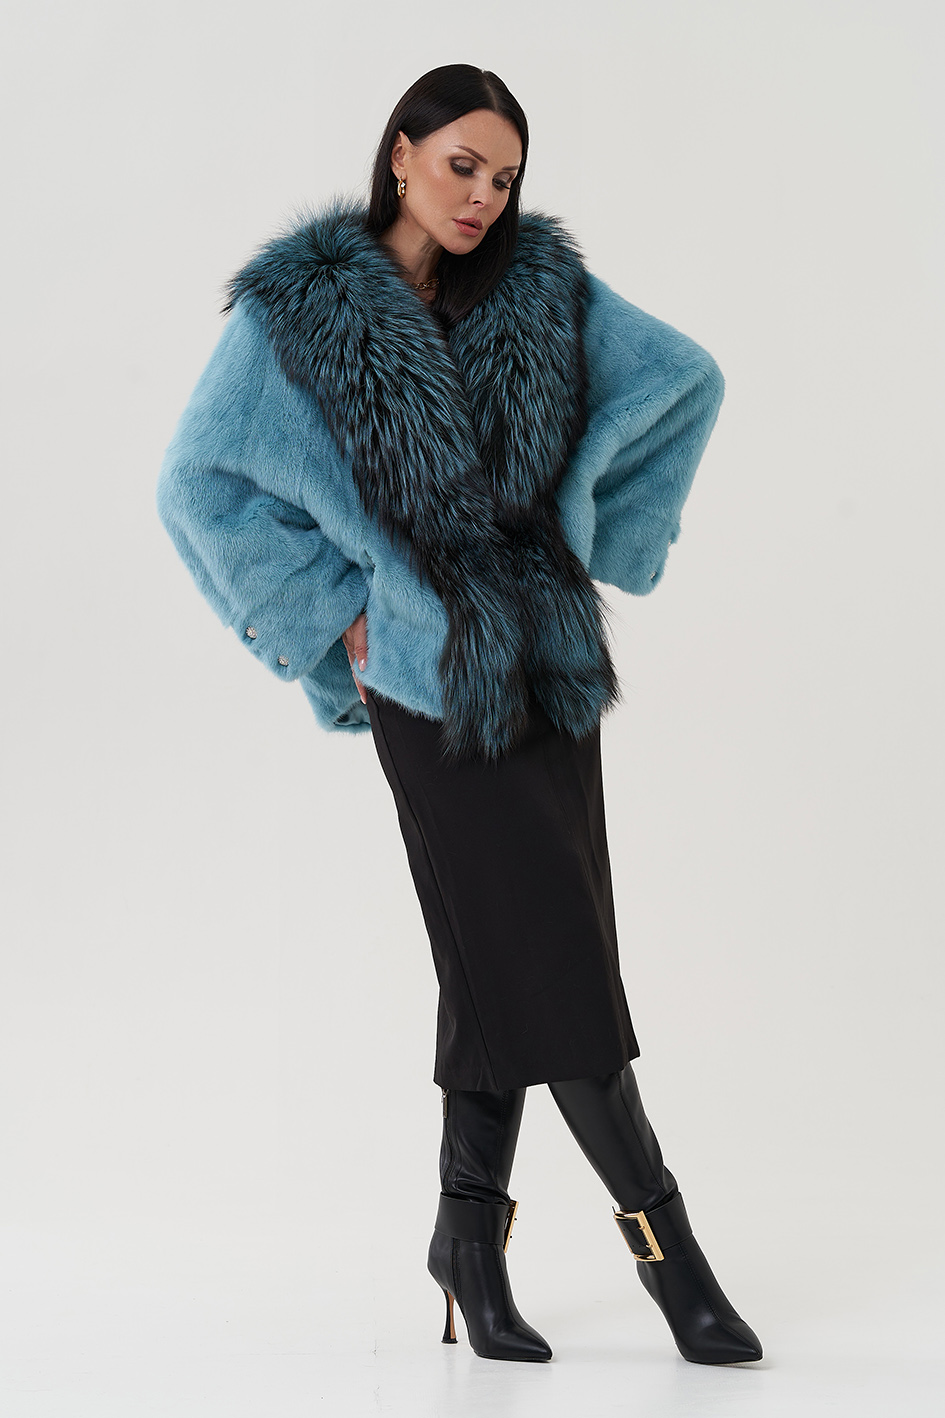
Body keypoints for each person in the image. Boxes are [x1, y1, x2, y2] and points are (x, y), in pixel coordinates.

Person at [156, 63, 762, 1367]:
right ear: (401, 156)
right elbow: (196, 482)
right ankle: (672, 1261)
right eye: (461, 165)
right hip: (428, 692)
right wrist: (336, 617)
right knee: (559, 974)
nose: (484, 195)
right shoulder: (298, 315)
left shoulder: (541, 289)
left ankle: (467, 1247)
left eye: (505, 176)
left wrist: (589, 532)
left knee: (501, 972)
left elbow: (683, 379)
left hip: (550, 677)